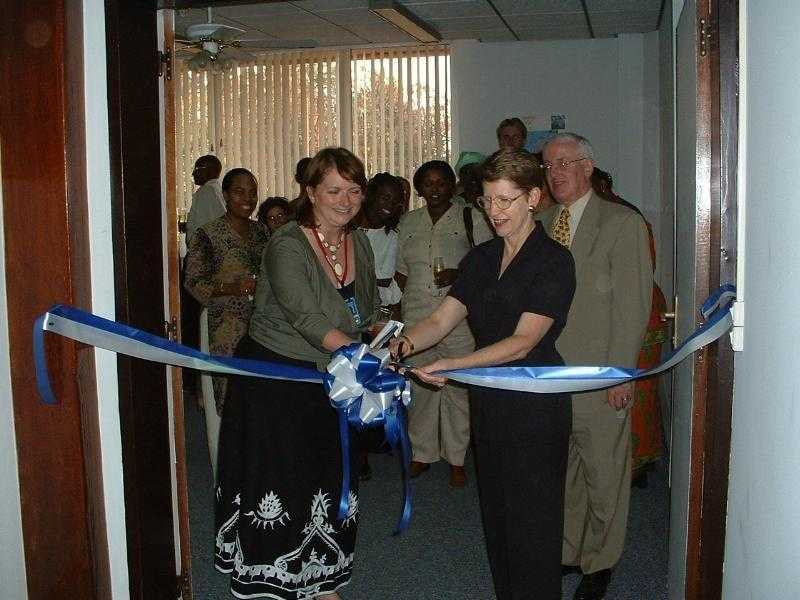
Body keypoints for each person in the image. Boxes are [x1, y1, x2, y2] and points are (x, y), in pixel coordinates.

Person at [390, 148, 576, 599]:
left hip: (535, 404)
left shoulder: (553, 260)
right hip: (490, 402)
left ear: (534, 197)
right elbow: (439, 321)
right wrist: (399, 346)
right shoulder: (480, 259)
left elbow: (523, 342)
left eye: (506, 200)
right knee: (497, 517)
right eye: (487, 200)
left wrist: (453, 366)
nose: (494, 212)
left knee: (533, 522)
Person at [215, 147, 379, 600]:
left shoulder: (359, 241)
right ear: (310, 192)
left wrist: (382, 338)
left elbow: (367, 308)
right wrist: (364, 357)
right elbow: (307, 319)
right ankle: (272, 579)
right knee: (282, 478)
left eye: (354, 190)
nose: (346, 201)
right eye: (333, 190)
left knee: (329, 475)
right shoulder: (286, 243)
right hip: (278, 378)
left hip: (334, 377)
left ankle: (321, 576)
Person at [539, 133, 651, 600]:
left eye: (565, 163)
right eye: (548, 165)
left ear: (588, 166)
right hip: (546, 374)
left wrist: (620, 372)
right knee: (564, 470)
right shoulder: (540, 222)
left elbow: (633, 303)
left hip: (598, 373)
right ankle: (570, 550)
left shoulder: (622, 223)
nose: (556, 172)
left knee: (604, 472)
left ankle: (601, 562)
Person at [394, 160, 492, 487]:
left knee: (458, 387)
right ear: (419, 189)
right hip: (417, 316)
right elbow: (401, 271)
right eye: (428, 184)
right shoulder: (408, 222)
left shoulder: (471, 217)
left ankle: (456, 458)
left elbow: (489, 264)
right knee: (420, 387)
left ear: (452, 186)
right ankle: (422, 454)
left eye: (441, 183)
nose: (434, 189)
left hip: (458, 316)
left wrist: (459, 275)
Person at [184, 168, 269, 480]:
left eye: (252, 192)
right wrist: (232, 288)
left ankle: (259, 459)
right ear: (226, 195)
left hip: (262, 324)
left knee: (260, 389)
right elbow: (193, 281)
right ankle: (229, 466)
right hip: (225, 324)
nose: (247, 199)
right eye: (239, 192)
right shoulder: (208, 234)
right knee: (229, 392)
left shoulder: (263, 233)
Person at [591, 168, 668, 486]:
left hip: (641, 311)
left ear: (604, 185)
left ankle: (638, 462)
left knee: (636, 389)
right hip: (622, 311)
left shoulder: (626, 217)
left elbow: (632, 275)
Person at [185, 154, 225, 243]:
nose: (193, 173)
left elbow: (200, 231)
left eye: (197, 169)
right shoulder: (216, 189)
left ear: (210, 170)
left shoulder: (206, 192)